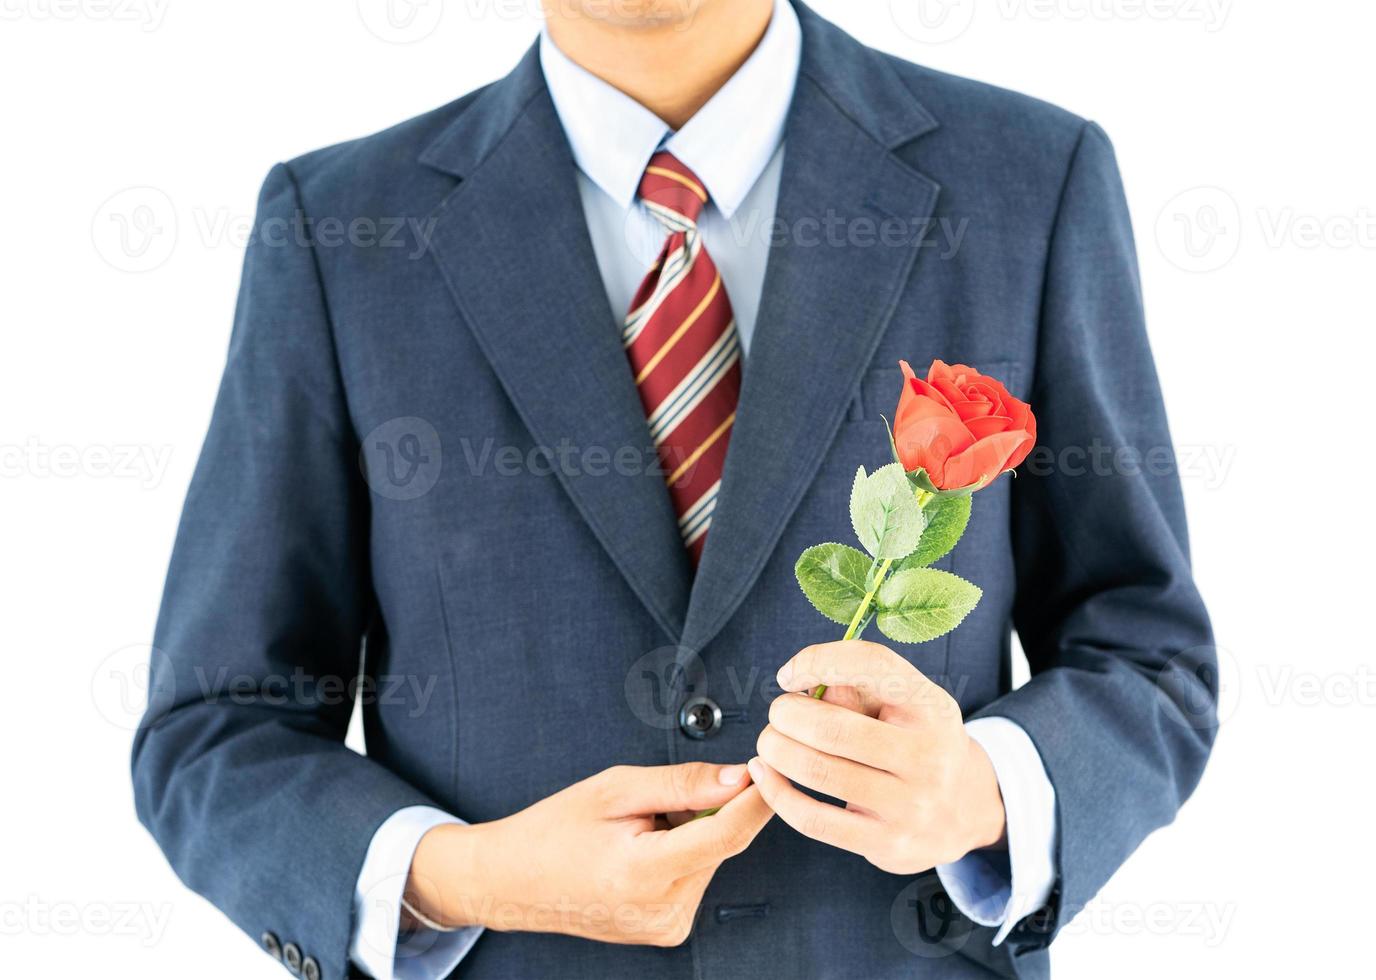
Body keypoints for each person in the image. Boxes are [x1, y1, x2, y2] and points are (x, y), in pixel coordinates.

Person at [132, 1, 1216, 977]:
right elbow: (216, 729)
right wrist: (465, 873)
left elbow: (1143, 651)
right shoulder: (338, 231)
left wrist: (983, 791)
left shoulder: (1028, 180)